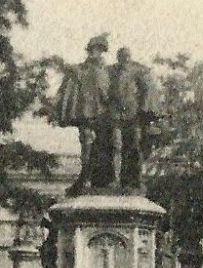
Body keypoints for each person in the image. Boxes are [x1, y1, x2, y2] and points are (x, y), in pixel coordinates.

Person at [54, 36, 111, 195]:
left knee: (104, 146)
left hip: (105, 115)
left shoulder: (107, 71)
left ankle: (99, 178)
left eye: (99, 50)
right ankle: (86, 177)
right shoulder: (79, 70)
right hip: (86, 114)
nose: (96, 52)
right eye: (94, 49)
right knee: (87, 144)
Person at [105, 47, 164, 191]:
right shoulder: (111, 71)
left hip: (134, 116)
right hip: (116, 115)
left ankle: (135, 180)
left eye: (127, 57)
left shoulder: (137, 71)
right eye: (122, 57)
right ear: (118, 58)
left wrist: (144, 110)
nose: (125, 59)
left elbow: (147, 89)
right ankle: (116, 179)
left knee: (134, 147)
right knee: (116, 145)